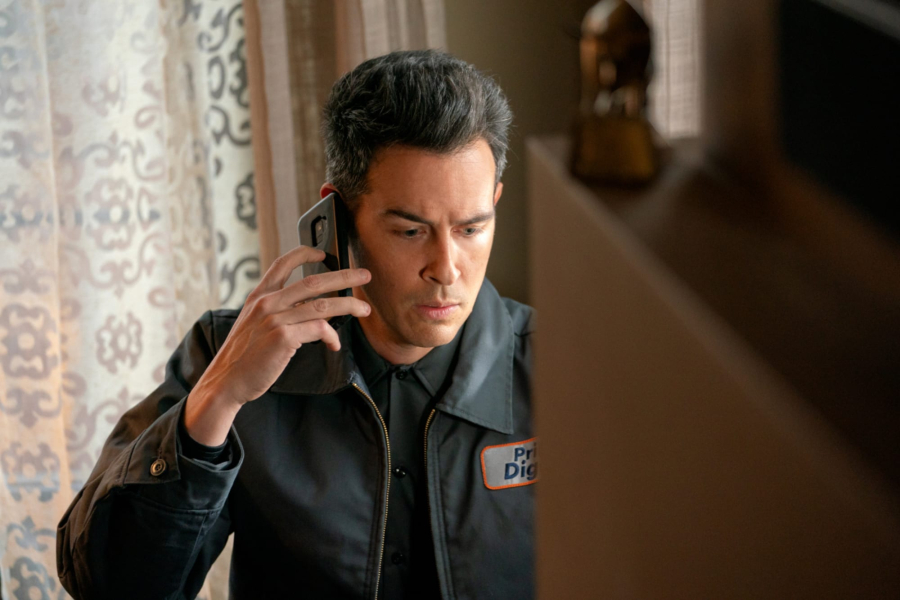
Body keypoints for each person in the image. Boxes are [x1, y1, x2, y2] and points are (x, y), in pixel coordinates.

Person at [57, 49, 535, 600]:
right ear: (337, 216)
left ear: (495, 202)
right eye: (410, 231)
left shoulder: (561, 367)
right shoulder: (228, 354)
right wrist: (217, 399)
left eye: (471, 229)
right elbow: (105, 585)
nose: (446, 269)